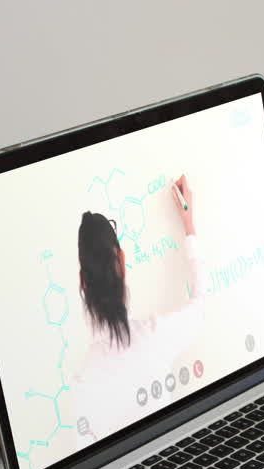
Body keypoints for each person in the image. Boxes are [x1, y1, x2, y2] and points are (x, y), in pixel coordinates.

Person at [73, 174, 206, 446]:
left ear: (83, 282)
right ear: (122, 261)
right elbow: (201, 307)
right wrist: (188, 222)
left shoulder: (82, 383)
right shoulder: (156, 336)